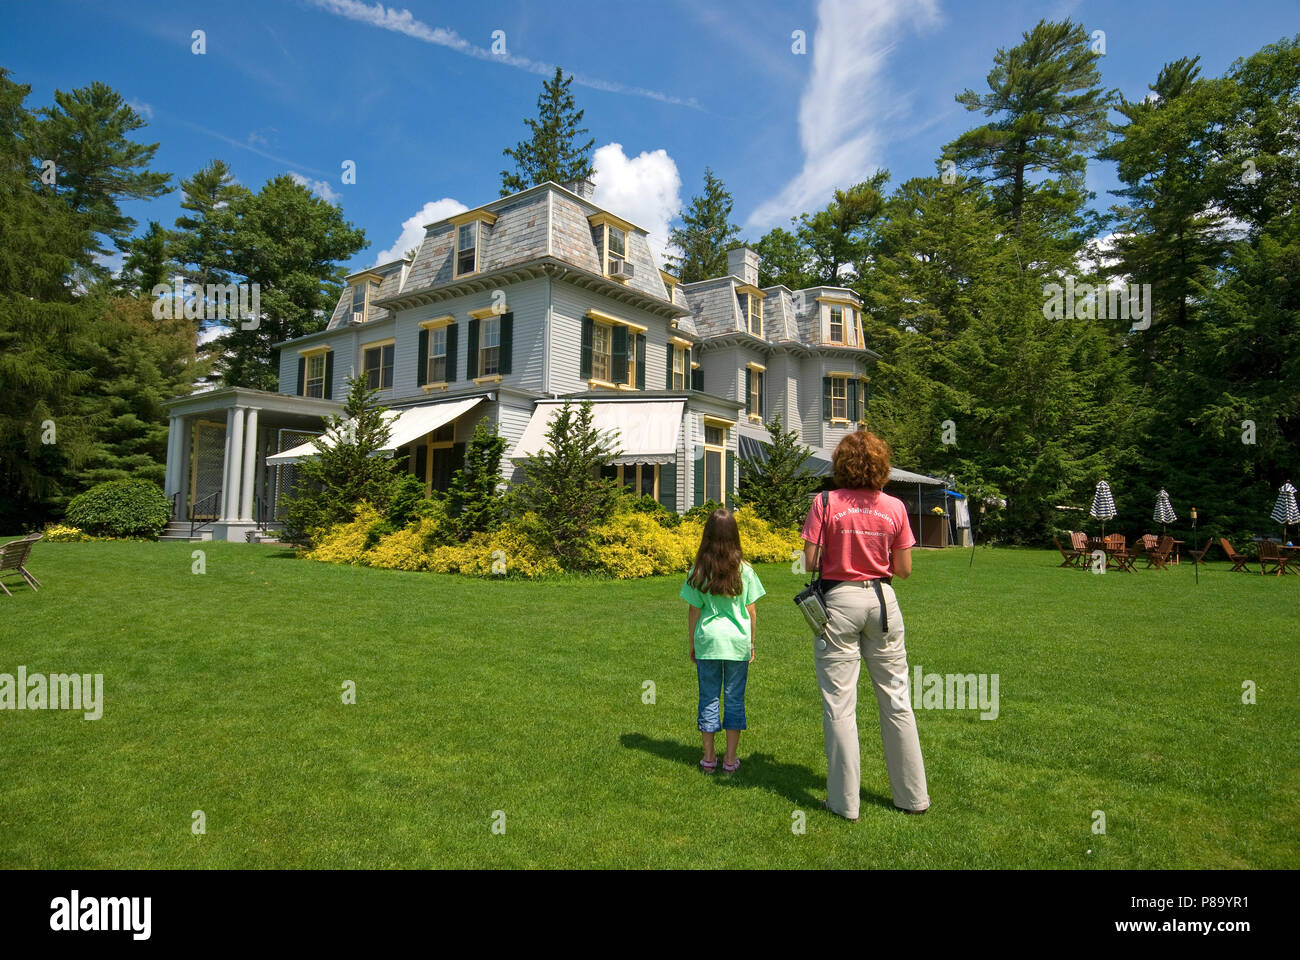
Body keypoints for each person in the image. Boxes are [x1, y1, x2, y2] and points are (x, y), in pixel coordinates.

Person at [801, 430, 929, 820]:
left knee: (840, 706)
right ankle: (913, 798)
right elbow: (904, 570)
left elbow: (810, 561)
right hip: (882, 602)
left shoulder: (825, 502)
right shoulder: (895, 507)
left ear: (841, 464)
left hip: (839, 602)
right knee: (897, 701)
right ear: (881, 465)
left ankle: (844, 803)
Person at [680, 508, 766, 774]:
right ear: (734, 535)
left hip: (708, 642)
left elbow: (694, 610)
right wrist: (751, 643)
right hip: (737, 643)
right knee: (734, 698)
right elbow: (751, 610)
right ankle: (730, 759)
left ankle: (708, 758)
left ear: (707, 535)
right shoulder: (745, 570)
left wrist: (693, 643)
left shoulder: (698, 570)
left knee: (708, 697)